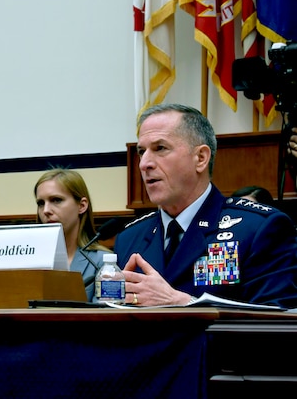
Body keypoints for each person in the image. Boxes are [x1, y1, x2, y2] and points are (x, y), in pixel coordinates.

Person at [116, 103, 297, 308]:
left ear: (201, 158)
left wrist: (185, 304)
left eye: (160, 148)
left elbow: (278, 325)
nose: (144, 164)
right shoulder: (129, 238)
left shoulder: (257, 229)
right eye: (142, 151)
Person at [34, 169, 110, 301]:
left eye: (56, 200)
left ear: (81, 206)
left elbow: (105, 317)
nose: (46, 210)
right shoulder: (31, 258)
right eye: (41, 203)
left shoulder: (102, 262)